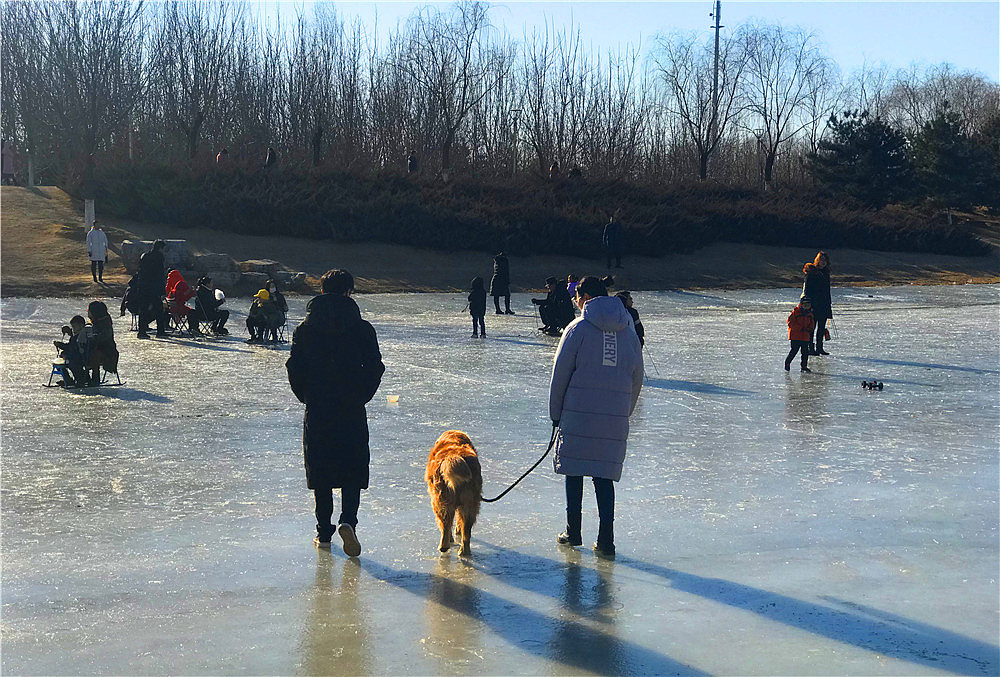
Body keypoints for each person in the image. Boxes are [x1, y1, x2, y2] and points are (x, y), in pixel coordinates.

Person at [285, 269, 385, 557]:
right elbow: (375, 367)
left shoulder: (305, 328)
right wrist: (361, 395)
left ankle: (324, 534)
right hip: (351, 407)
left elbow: (294, 367)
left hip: (318, 407)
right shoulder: (363, 328)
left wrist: (307, 396)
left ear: (321, 291)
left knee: (322, 471)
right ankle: (348, 521)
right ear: (348, 292)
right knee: (352, 467)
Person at [549, 275, 644, 558]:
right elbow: (637, 377)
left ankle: (573, 529)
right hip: (613, 418)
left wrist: (556, 415)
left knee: (574, 470)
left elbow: (560, 375)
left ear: (585, 297)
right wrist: (624, 412)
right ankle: (606, 539)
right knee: (603, 477)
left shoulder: (577, 330)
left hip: (577, 416)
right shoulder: (628, 332)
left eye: (577, 298)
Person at [135, 240, 168, 338]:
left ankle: (141, 331)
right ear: (161, 248)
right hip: (154, 287)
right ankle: (160, 331)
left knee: (143, 309)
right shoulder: (159, 257)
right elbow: (160, 274)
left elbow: (140, 270)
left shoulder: (144, 256)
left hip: (143, 286)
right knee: (158, 309)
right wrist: (162, 290)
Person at [802, 251, 832, 355]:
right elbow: (807, 290)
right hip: (814, 305)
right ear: (817, 260)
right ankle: (811, 348)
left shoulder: (826, 273)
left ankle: (819, 347)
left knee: (821, 328)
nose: (823, 262)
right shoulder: (811, 272)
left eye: (825, 260)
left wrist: (828, 305)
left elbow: (827, 291)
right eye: (821, 260)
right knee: (811, 327)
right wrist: (809, 304)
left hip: (824, 304)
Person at [53, 315, 92, 386]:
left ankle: (73, 379)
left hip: (79, 358)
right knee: (64, 356)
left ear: (81, 326)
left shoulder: (80, 336)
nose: (73, 329)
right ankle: (79, 378)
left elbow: (71, 347)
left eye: (74, 326)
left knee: (65, 361)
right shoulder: (83, 333)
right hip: (82, 356)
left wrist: (60, 345)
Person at [86, 300, 119, 384]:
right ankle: (83, 377)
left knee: (94, 355)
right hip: (94, 349)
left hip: (107, 352)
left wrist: (92, 338)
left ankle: (95, 379)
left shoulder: (105, 325)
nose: (88, 313)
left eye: (89, 311)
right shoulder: (95, 323)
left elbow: (102, 338)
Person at [785, 296, 815, 373]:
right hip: (795, 336)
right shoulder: (795, 312)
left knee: (805, 352)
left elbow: (812, 324)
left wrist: (810, 329)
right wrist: (799, 328)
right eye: (805, 305)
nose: (806, 307)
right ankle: (787, 362)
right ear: (801, 304)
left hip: (805, 337)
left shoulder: (810, 314)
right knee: (794, 350)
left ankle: (804, 366)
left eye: (808, 305)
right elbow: (790, 323)